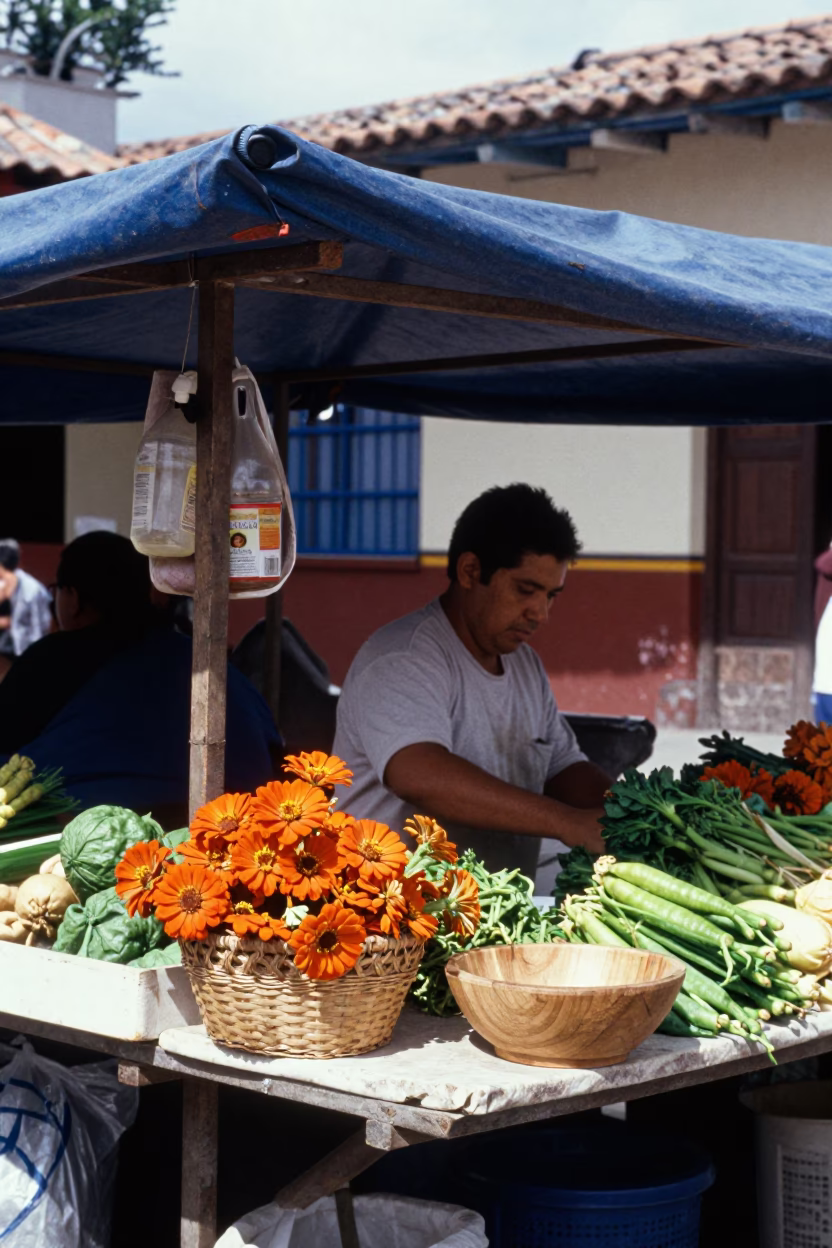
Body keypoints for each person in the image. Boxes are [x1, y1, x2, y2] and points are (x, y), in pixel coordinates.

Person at [333, 484, 609, 879]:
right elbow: (417, 773)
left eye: (551, 596)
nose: (540, 613)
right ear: (470, 571)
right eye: (525, 590)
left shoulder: (525, 665)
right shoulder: (403, 657)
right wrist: (567, 822)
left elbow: (563, 767)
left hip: (487, 916)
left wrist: (637, 815)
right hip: (390, 914)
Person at [0, 531, 280, 817]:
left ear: (72, 599)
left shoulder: (50, 660)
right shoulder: (208, 662)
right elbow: (270, 749)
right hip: (229, 823)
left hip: (74, 825)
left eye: (56, 590)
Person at [0, 538, 52, 663]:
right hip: (8, 646)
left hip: (28, 650)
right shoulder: (4, 584)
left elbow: (38, 629)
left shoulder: (31, 590)